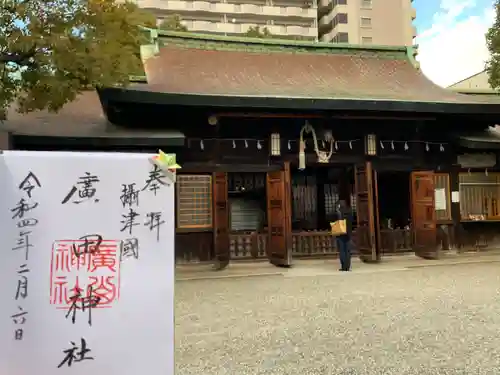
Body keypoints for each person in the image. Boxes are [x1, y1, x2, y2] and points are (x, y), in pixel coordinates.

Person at [333, 200, 353, 271]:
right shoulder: (350, 211)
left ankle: (343, 267)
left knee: (342, 251)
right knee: (348, 251)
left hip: (340, 233)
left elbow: (334, 221)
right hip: (348, 233)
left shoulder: (338, 212)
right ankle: (348, 267)